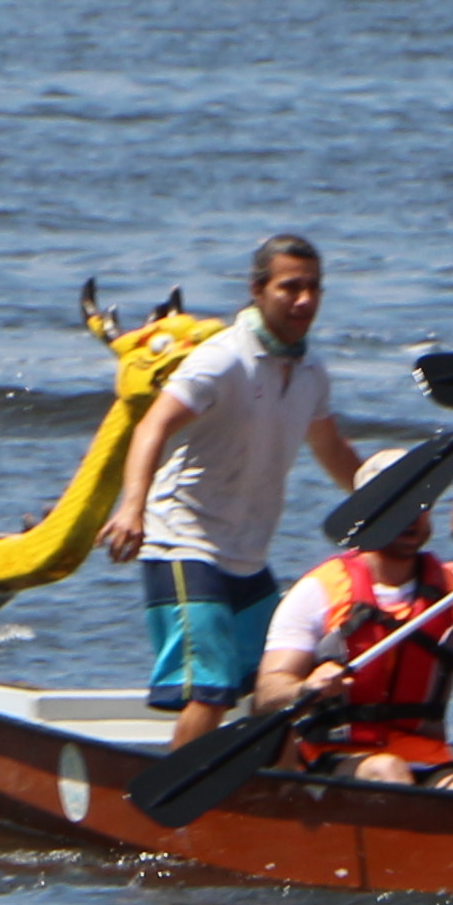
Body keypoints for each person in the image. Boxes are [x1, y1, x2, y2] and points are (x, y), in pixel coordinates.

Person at [99, 234, 368, 745]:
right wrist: (132, 507)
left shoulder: (312, 371)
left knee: (279, 686)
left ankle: (284, 796)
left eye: (313, 289)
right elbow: (152, 426)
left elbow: (333, 450)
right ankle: (179, 813)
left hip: (248, 555)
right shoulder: (221, 359)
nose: (304, 301)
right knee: (213, 689)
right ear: (257, 290)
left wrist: (384, 510)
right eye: (290, 288)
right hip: (182, 544)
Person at [253, 510, 453, 787]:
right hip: (335, 759)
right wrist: (308, 688)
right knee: (388, 770)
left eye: (422, 507)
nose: (412, 518)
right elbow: (266, 693)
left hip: (428, 758)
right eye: (403, 506)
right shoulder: (318, 589)